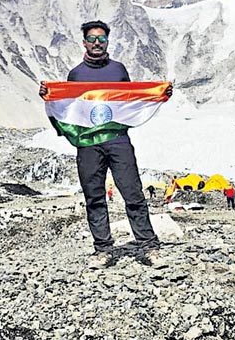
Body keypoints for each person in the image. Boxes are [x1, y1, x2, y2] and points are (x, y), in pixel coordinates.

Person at [39, 20, 173, 267]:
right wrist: (50, 96)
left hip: (118, 140)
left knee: (132, 193)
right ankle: (103, 250)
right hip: (88, 144)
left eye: (101, 38)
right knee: (94, 196)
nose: (97, 43)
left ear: (108, 42)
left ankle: (148, 247)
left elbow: (131, 101)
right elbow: (68, 109)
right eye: (92, 39)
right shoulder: (76, 74)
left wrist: (158, 94)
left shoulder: (119, 70)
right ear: (84, 43)